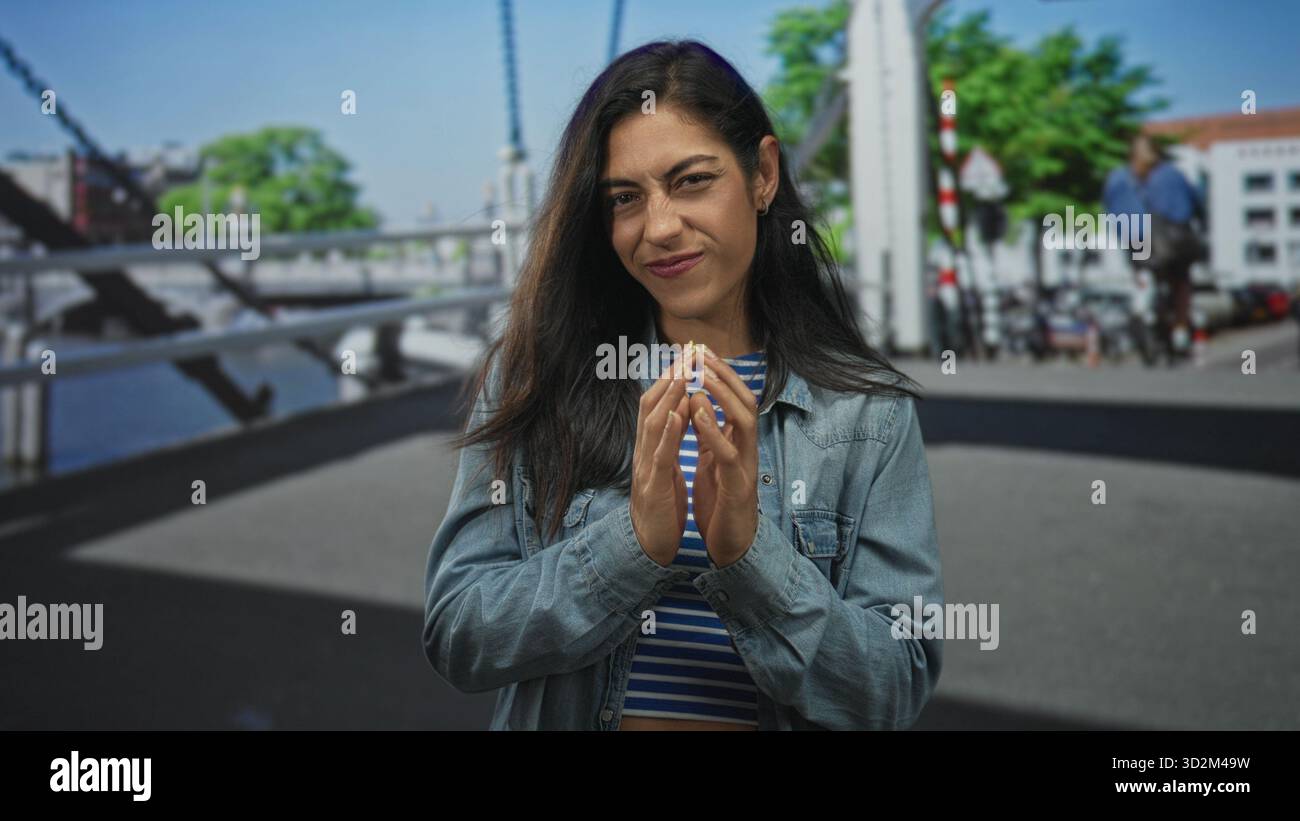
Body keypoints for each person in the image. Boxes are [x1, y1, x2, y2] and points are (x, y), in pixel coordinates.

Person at [421, 39, 943, 730]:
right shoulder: (535, 380)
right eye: (625, 198)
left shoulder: (866, 411)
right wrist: (628, 547)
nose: (660, 227)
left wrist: (749, 558)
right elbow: (460, 634)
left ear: (762, 174)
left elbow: (893, 688)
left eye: (692, 180)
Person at [1102, 133, 1205, 359]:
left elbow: (1114, 215)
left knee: (1143, 275)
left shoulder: (1119, 178)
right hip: (1174, 241)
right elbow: (1196, 202)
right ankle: (1179, 329)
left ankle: (1142, 310)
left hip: (1139, 241)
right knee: (1181, 281)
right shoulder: (1171, 174)